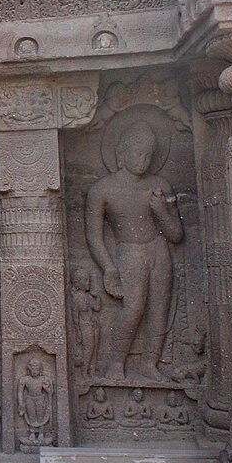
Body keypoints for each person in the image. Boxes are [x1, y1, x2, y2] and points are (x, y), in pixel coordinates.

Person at [85, 121, 183, 381]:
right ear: (122, 152)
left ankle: (149, 363)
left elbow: (176, 235)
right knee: (134, 308)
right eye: (138, 153)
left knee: (159, 309)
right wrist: (109, 268)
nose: (144, 161)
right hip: (128, 251)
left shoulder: (159, 185)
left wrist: (162, 212)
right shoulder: (102, 190)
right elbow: (94, 237)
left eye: (149, 155)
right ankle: (116, 362)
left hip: (159, 250)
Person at [18, 358, 53, 444]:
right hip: (29, 398)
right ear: (29, 369)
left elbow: (50, 392)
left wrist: (47, 388)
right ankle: (32, 432)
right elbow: (20, 391)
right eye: (33, 369)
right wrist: (21, 402)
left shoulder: (44, 379)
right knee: (31, 416)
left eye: (37, 369)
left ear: (40, 369)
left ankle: (41, 432)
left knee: (40, 416)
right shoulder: (25, 379)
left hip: (40, 398)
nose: (34, 371)